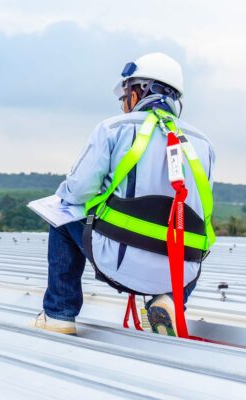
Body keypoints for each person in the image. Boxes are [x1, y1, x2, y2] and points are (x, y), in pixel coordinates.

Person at [32, 53, 215, 336]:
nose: (123, 103)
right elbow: (200, 211)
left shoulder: (113, 128)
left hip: (119, 259)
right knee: (197, 239)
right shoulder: (203, 144)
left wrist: (63, 195)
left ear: (140, 90)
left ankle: (59, 314)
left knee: (61, 216)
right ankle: (169, 301)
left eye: (125, 93)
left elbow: (79, 191)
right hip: (178, 272)